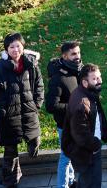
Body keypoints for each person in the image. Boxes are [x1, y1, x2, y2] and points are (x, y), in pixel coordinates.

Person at [0, 32, 44, 188]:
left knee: (35, 141)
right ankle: (11, 180)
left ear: (23, 47)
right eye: (11, 47)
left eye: (18, 46)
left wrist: (37, 104)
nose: (15, 50)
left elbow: (39, 85)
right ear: (6, 50)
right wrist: (3, 111)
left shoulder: (31, 64)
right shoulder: (0, 68)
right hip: (10, 116)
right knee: (10, 151)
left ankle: (31, 151)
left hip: (29, 111)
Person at [46, 41, 84, 188]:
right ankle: (62, 186)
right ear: (64, 56)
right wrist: (73, 106)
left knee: (71, 155)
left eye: (79, 53)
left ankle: (70, 182)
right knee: (66, 157)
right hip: (65, 125)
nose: (77, 56)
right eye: (73, 54)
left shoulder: (78, 70)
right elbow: (51, 106)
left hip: (77, 122)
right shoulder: (58, 78)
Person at [64, 63, 107, 188]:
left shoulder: (87, 93)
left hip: (87, 150)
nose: (99, 81)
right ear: (84, 82)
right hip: (88, 153)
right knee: (91, 183)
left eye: (99, 77)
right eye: (94, 79)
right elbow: (81, 135)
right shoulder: (82, 104)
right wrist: (96, 145)